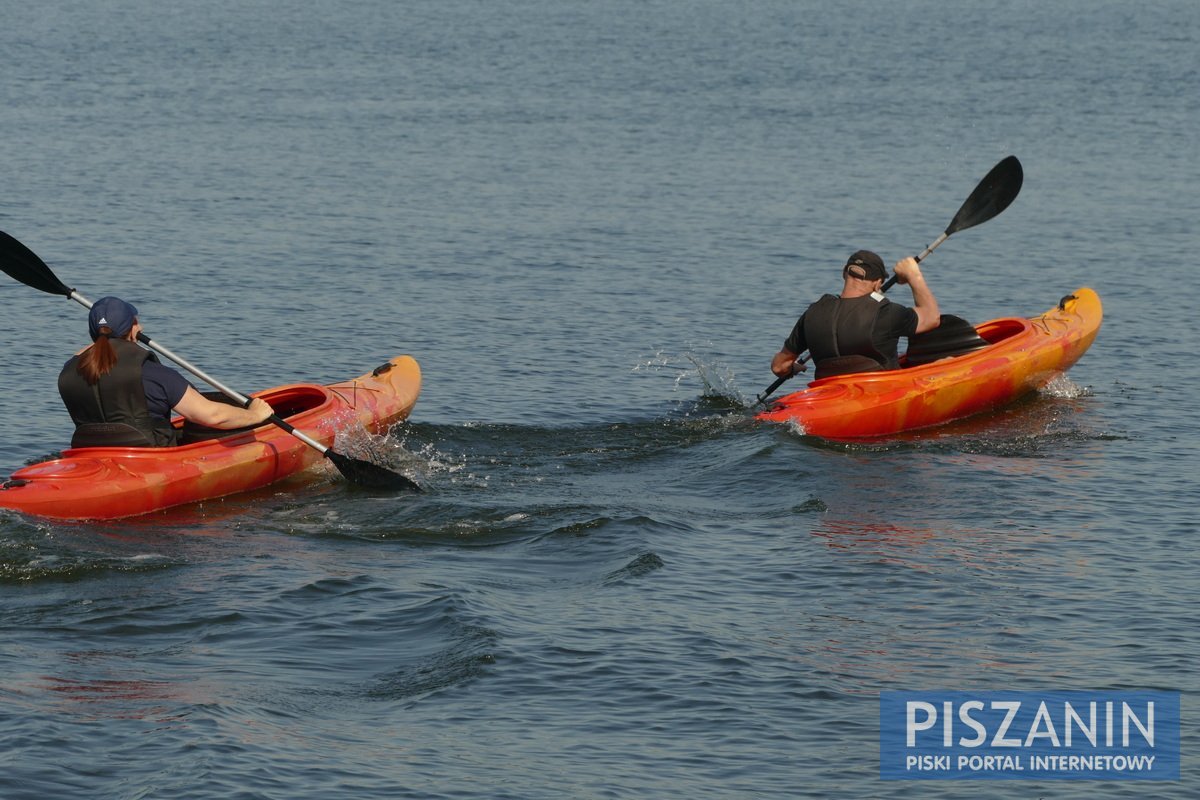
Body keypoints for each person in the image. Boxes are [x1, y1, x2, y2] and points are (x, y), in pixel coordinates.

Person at [58, 296, 274, 447]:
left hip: (89, 454)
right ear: (132, 329)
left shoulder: (69, 371)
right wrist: (254, 414)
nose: (140, 327)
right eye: (136, 322)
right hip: (148, 458)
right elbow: (212, 416)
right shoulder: (152, 373)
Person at [771, 250, 941, 381]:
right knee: (942, 362)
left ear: (844, 273)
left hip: (829, 394)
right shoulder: (887, 312)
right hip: (879, 394)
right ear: (878, 284)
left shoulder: (813, 313)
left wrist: (792, 369)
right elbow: (931, 318)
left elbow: (779, 367)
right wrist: (913, 275)